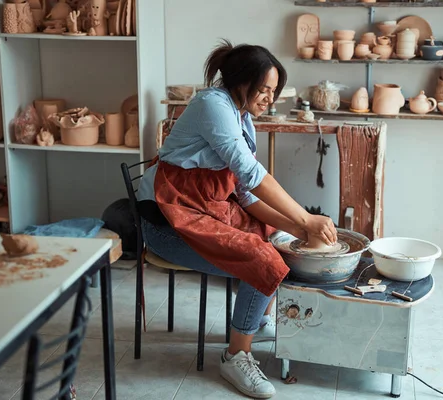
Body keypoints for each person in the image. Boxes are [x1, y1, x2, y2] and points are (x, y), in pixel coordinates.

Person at [137, 39, 338, 398]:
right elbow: (250, 174)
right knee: (263, 257)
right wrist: (306, 220)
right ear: (241, 83)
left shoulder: (244, 118)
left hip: (207, 208)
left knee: (278, 241)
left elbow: (243, 195)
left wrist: (294, 229)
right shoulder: (212, 105)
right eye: (264, 90)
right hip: (167, 221)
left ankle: (253, 321)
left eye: (273, 92)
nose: (269, 100)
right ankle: (235, 356)